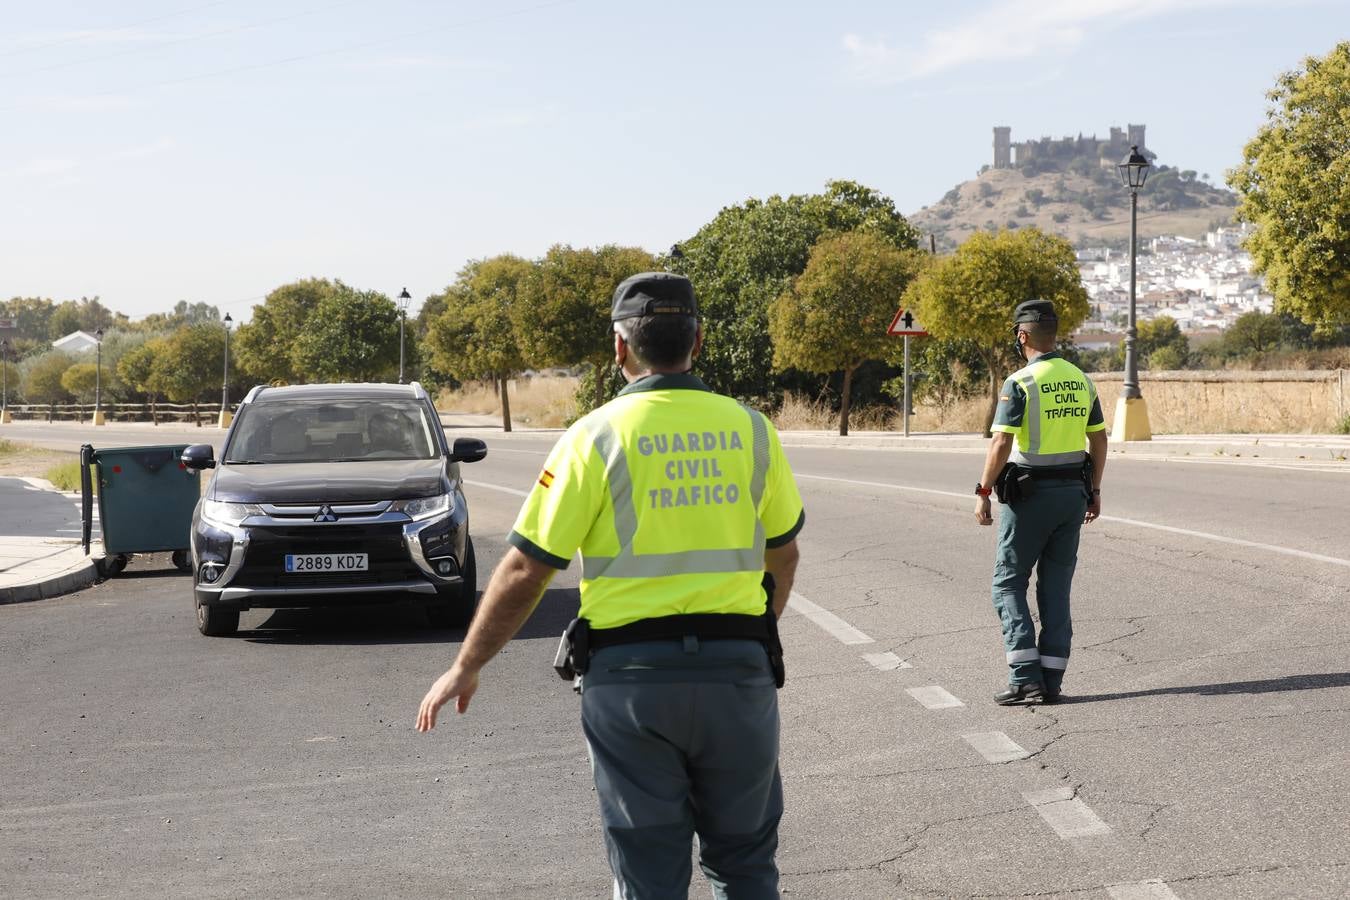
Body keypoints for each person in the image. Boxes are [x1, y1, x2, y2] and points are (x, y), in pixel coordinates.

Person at [416, 272, 805, 899]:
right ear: (698, 341)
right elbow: (783, 555)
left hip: (630, 685)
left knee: (648, 870)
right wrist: (756, 637)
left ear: (619, 348)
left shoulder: (591, 438)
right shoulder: (753, 431)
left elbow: (525, 570)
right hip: (738, 676)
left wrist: (467, 665)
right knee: (746, 863)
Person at [973, 299, 1106, 705]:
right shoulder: (1082, 380)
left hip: (1030, 498)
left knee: (1008, 582)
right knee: (1056, 588)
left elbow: (1001, 442)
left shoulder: (1020, 382)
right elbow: (1098, 439)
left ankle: (1024, 676)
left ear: (1022, 335)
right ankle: (1051, 679)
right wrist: (1095, 491)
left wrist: (983, 491)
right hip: (1073, 497)